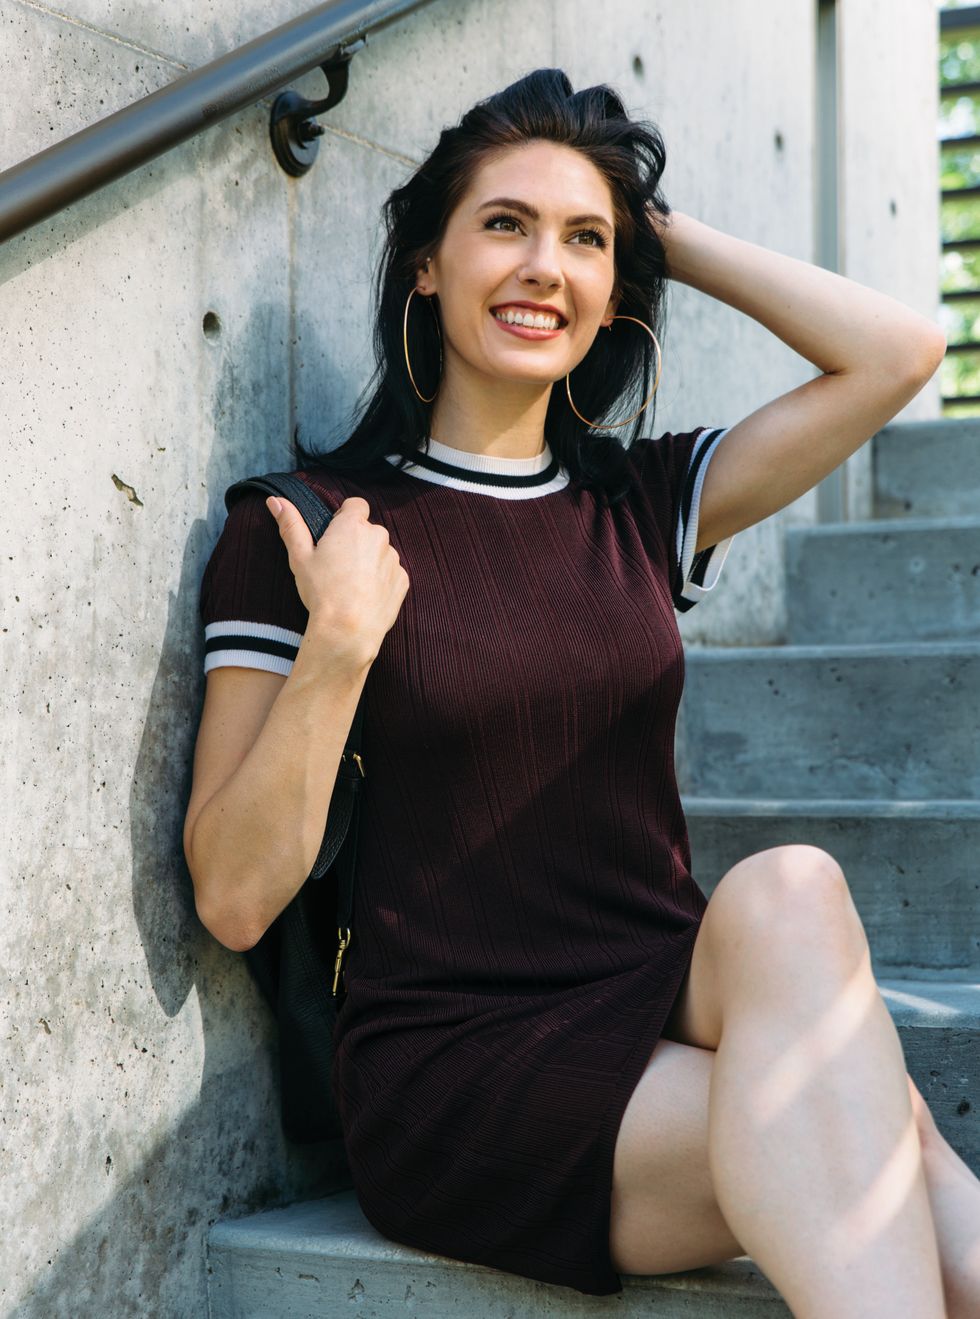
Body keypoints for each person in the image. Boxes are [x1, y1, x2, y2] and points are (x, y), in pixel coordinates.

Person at [183, 68, 978, 1316]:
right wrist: (336, 646)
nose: (543, 265)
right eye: (504, 223)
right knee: (859, 1110)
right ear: (427, 264)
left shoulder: (636, 504)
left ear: (617, 294)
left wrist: (655, 229)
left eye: (584, 241)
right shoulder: (309, 530)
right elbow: (231, 897)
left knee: (792, 888)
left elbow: (899, 353)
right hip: (459, 1060)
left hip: (656, 992)